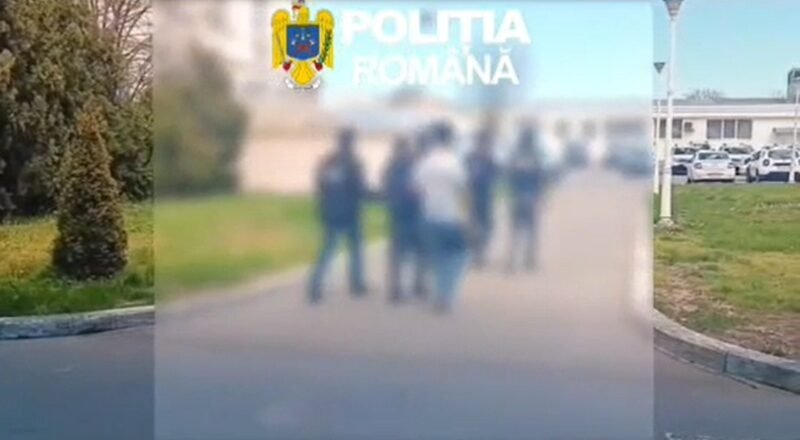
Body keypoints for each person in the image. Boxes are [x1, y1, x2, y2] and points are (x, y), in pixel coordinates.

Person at [412, 122, 470, 313]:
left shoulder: (425, 161)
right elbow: (463, 190)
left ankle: (440, 292)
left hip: (429, 215)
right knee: (458, 257)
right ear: (451, 140)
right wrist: (470, 217)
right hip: (451, 216)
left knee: (438, 259)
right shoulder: (454, 162)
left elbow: (415, 189)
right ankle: (445, 295)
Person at [308, 128, 367, 303]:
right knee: (356, 250)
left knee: (327, 250)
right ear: (352, 142)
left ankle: (315, 285)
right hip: (350, 212)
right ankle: (356, 284)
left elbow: (320, 185)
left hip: (330, 211)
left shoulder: (326, 162)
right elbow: (359, 189)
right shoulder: (354, 163)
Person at [382, 136, 422, 303]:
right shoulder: (409, 167)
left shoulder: (392, 168)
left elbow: (387, 189)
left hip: (402, 213)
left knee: (405, 253)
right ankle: (403, 287)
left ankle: (408, 285)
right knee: (406, 253)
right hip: (407, 214)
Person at [507, 126, 546, 272]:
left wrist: (511, 194)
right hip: (531, 196)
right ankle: (529, 260)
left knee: (515, 230)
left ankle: (512, 261)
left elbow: (510, 176)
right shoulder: (536, 156)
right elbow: (541, 178)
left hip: (517, 196)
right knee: (532, 231)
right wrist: (541, 197)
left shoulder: (515, 156)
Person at [465, 128, 499, 268]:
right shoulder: (472, 158)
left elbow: (497, 176)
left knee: (485, 226)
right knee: (476, 226)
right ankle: (477, 253)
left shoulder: (487, 159)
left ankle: (479, 253)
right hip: (476, 196)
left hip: (484, 197)